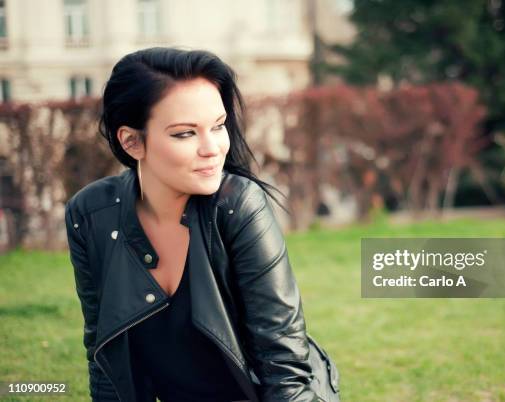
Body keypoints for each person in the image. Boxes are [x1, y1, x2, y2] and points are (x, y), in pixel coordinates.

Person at [64, 47, 323, 402]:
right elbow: (105, 352)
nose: (212, 148)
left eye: (218, 126)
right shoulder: (90, 214)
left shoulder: (238, 204)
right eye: (185, 133)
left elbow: (284, 366)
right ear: (131, 141)